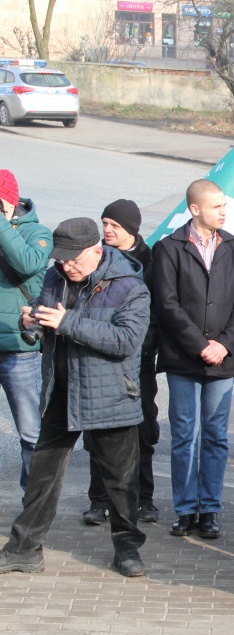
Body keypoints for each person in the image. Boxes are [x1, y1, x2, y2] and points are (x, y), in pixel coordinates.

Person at [0, 218, 150, 577]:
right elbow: (47, 318)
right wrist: (32, 323)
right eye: (62, 259)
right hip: (62, 392)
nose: (67, 266)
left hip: (110, 395)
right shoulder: (55, 277)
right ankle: (24, 550)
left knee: (121, 481)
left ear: (97, 250)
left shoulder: (130, 286)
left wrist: (66, 322)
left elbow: (126, 341)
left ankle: (127, 549)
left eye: (74, 259)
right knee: (43, 477)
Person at [152, 180, 234, 541]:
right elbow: (166, 304)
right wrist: (199, 344)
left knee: (215, 436)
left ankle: (209, 508)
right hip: (183, 359)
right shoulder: (169, 248)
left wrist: (223, 344)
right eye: (216, 206)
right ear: (195, 209)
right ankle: (185, 509)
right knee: (184, 436)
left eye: (224, 205)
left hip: (222, 361)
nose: (224, 212)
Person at [82, 199, 161, 525]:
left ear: (131, 228)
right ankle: (98, 501)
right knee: (98, 431)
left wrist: (143, 346)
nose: (107, 230)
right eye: (105, 223)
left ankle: (144, 499)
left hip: (138, 360)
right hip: (101, 359)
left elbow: (158, 311)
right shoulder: (96, 256)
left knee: (142, 430)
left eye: (114, 225)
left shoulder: (151, 261)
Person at [0, 169, 51, 493]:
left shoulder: (38, 232)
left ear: (12, 201)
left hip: (20, 350)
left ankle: (34, 505)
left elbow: (27, 264)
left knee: (31, 432)